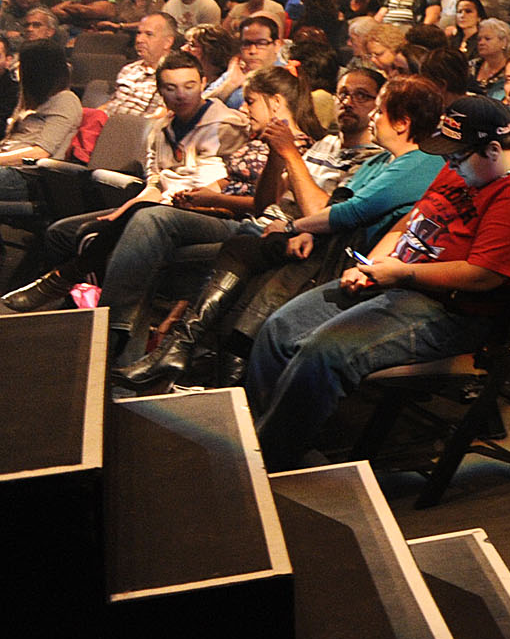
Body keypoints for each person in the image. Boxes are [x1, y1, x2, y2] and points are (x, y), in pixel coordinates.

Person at [247, 95, 510, 469]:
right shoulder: (466, 167)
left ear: (493, 150)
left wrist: (402, 272)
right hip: (399, 280)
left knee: (325, 352)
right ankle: (280, 441)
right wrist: (373, 263)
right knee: (279, 328)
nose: (449, 165)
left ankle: (273, 459)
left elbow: (483, 275)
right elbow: (412, 218)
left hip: (454, 310)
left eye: (456, 157)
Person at [114, 71, 448, 394]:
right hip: (297, 235)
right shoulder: (370, 158)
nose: (367, 112)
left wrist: (294, 222)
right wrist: (302, 225)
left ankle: (196, 364)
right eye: (344, 94)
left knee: (242, 256)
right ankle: (184, 358)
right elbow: (326, 204)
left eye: (375, 106)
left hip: (340, 258)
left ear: (402, 122)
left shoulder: (415, 161)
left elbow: (350, 212)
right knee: (161, 224)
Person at [3, 54, 248, 316]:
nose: (181, 95)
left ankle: (77, 295)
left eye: (189, 86)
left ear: (203, 83)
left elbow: (235, 178)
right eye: (171, 88)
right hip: (161, 203)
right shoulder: (160, 129)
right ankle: (72, 304)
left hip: (201, 207)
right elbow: (155, 180)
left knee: (93, 233)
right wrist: (129, 207)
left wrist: (199, 195)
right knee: (61, 232)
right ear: (160, 91)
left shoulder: (228, 125)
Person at [0, 41, 81, 206]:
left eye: (22, 64)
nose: (17, 68)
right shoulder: (30, 98)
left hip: (28, 176)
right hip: (7, 165)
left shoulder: (65, 100)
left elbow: (41, 152)